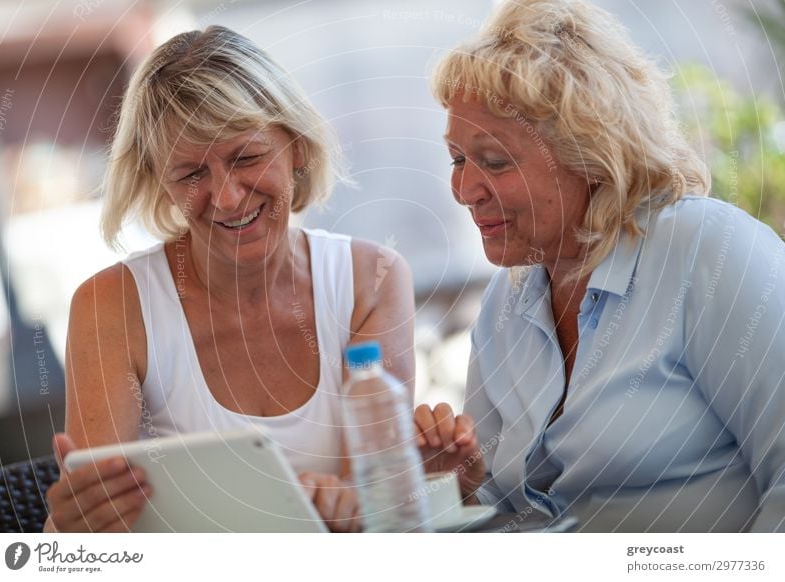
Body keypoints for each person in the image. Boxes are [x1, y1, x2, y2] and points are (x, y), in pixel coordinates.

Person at [414, 0, 785, 532]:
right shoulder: (506, 302)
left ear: (588, 154)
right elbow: (508, 514)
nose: (464, 190)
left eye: (494, 161)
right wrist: (461, 487)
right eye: (456, 159)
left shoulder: (706, 250)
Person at [44, 26, 415, 533]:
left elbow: (382, 505)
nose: (227, 197)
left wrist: (355, 504)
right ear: (160, 183)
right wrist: (67, 529)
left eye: (246, 157)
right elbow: (93, 541)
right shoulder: (112, 307)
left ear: (297, 148)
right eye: (191, 173)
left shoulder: (371, 281)